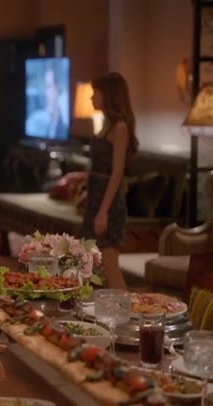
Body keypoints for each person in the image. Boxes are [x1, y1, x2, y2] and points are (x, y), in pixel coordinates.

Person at [83, 72, 138, 290]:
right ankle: (107, 309)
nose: (91, 97)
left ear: (108, 95)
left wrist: (103, 211)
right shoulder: (105, 124)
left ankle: (127, 309)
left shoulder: (119, 128)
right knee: (98, 269)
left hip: (109, 203)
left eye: (95, 93)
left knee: (110, 267)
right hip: (95, 198)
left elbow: (117, 173)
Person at [25, 62, 68, 140]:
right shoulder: (40, 123)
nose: (45, 93)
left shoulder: (64, 130)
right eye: (45, 87)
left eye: (49, 87)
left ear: (59, 90)